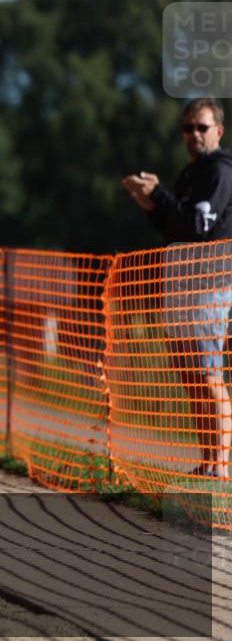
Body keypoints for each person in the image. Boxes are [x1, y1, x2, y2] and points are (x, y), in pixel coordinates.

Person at [123, 97, 232, 480]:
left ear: (218, 130)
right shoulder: (190, 175)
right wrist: (150, 204)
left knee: (208, 374)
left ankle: (221, 464)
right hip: (181, 283)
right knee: (189, 374)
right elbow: (176, 230)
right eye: (188, 128)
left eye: (202, 127)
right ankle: (207, 459)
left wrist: (161, 195)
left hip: (208, 284)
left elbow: (201, 226)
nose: (194, 134)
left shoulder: (220, 171)